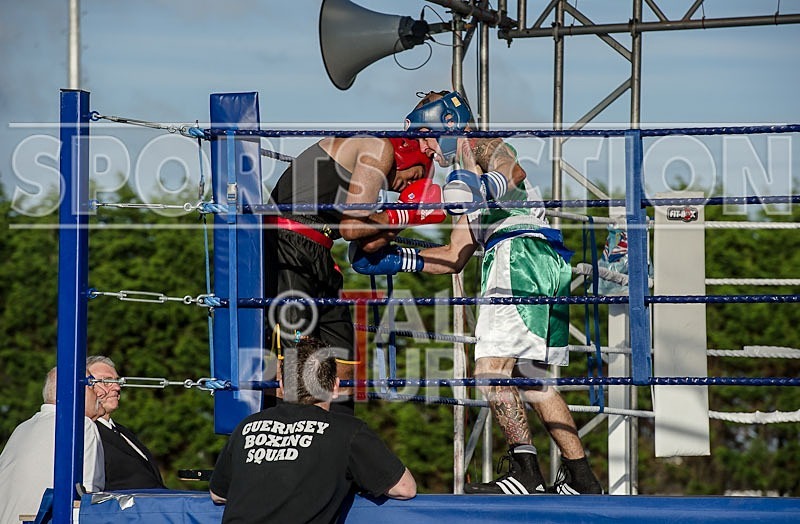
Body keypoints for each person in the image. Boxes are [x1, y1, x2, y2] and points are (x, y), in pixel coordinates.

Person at [351, 90, 602, 495]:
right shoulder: (461, 185)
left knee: (489, 371)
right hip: (540, 259)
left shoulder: (481, 143)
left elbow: (512, 171)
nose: (426, 148)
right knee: (532, 378)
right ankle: (584, 478)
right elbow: (453, 257)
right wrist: (399, 259)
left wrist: (482, 184)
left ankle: (526, 471)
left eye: (427, 136)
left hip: (518, 255)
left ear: (447, 125)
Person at [264, 135, 445, 414]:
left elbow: (368, 245)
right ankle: (290, 441)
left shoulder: (369, 180)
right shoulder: (378, 147)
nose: (409, 185)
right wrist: (406, 214)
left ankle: (339, 441)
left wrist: (409, 214)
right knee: (296, 363)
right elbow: (351, 227)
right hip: (288, 246)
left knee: (344, 367)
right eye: (415, 176)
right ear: (411, 151)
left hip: (319, 254)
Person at [209, 337, 416, 523]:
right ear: (335, 387)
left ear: (281, 385)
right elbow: (405, 488)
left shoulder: (247, 426)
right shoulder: (348, 432)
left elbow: (218, 494)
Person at [0, 365, 105, 524]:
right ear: (72, 391)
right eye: (91, 385)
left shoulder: (22, 428)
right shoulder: (81, 426)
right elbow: (86, 502)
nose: (99, 393)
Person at [87, 355, 165, 490]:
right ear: (87, 387)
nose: (117, 387)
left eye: (117, 381)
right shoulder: (87, 432)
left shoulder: (123, 432)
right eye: (106, 381)